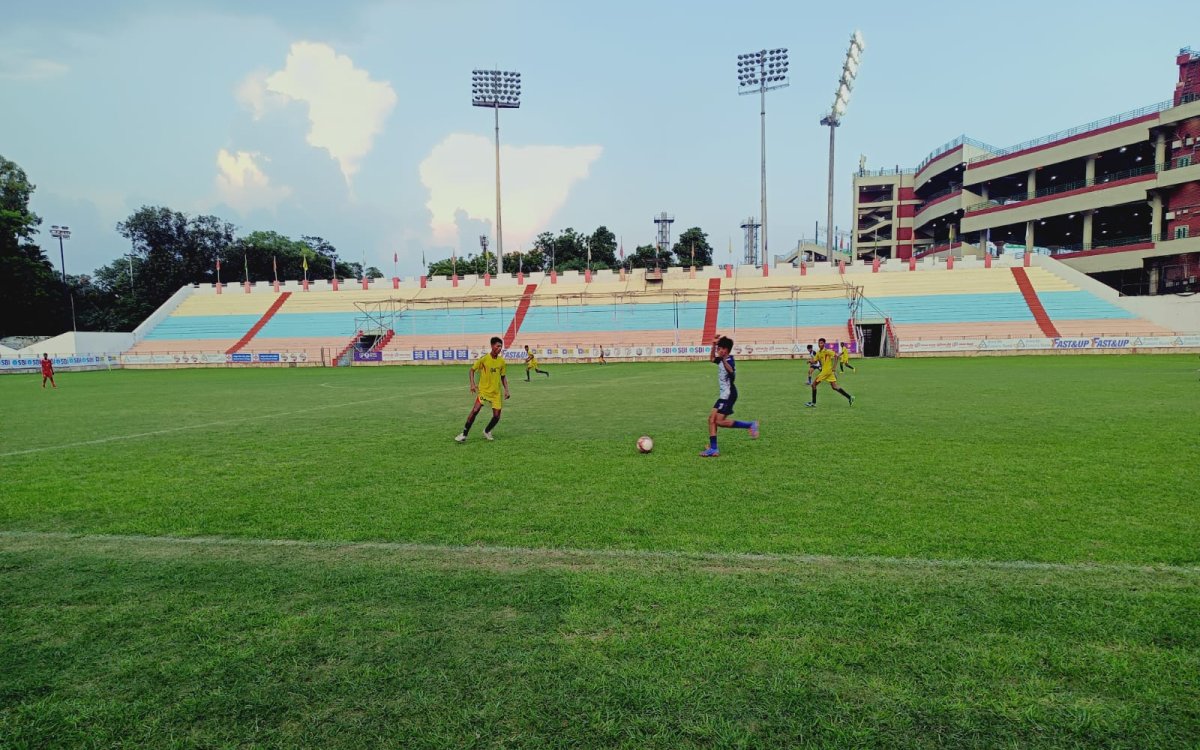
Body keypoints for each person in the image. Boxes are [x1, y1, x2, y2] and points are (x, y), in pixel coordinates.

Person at [700, 334, 758, 457]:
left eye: (720, 348)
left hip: (729, 395)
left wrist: (724, 359)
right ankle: (713, 449)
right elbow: (711, 359)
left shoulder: (729, 360)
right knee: (711, 420)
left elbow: (732, 372)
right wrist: (714, 344)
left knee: (718, 421)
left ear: (725, 350)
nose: (718, 351)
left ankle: (750, 424)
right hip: (723, 395)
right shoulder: (721, 359)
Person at [456, 336, 510, 442]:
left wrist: (507, 390)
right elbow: (471, 370)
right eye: (498, 346)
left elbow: (503, 376)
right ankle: (464, 434)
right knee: (475, 410)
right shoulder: (484, 359)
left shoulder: (501, 362)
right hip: (484, 391)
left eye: (501, 346)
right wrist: (472, 384)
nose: (499, 348)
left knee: (496, 417)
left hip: (496, 393)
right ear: (492, 346)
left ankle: (487, 431)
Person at [806, 338, 853, 408]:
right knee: (834, 387)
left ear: (824, 344)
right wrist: (810, 361)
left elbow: (836, 356)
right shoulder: (819, 352)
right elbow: (815, 361)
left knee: (813, 385)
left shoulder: (827, 351)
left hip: (826, 371)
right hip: (828, 372)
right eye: (819, 343)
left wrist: (834, 367)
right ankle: (850, 397)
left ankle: (813, 403)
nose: (820, 344)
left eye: (821, 343)